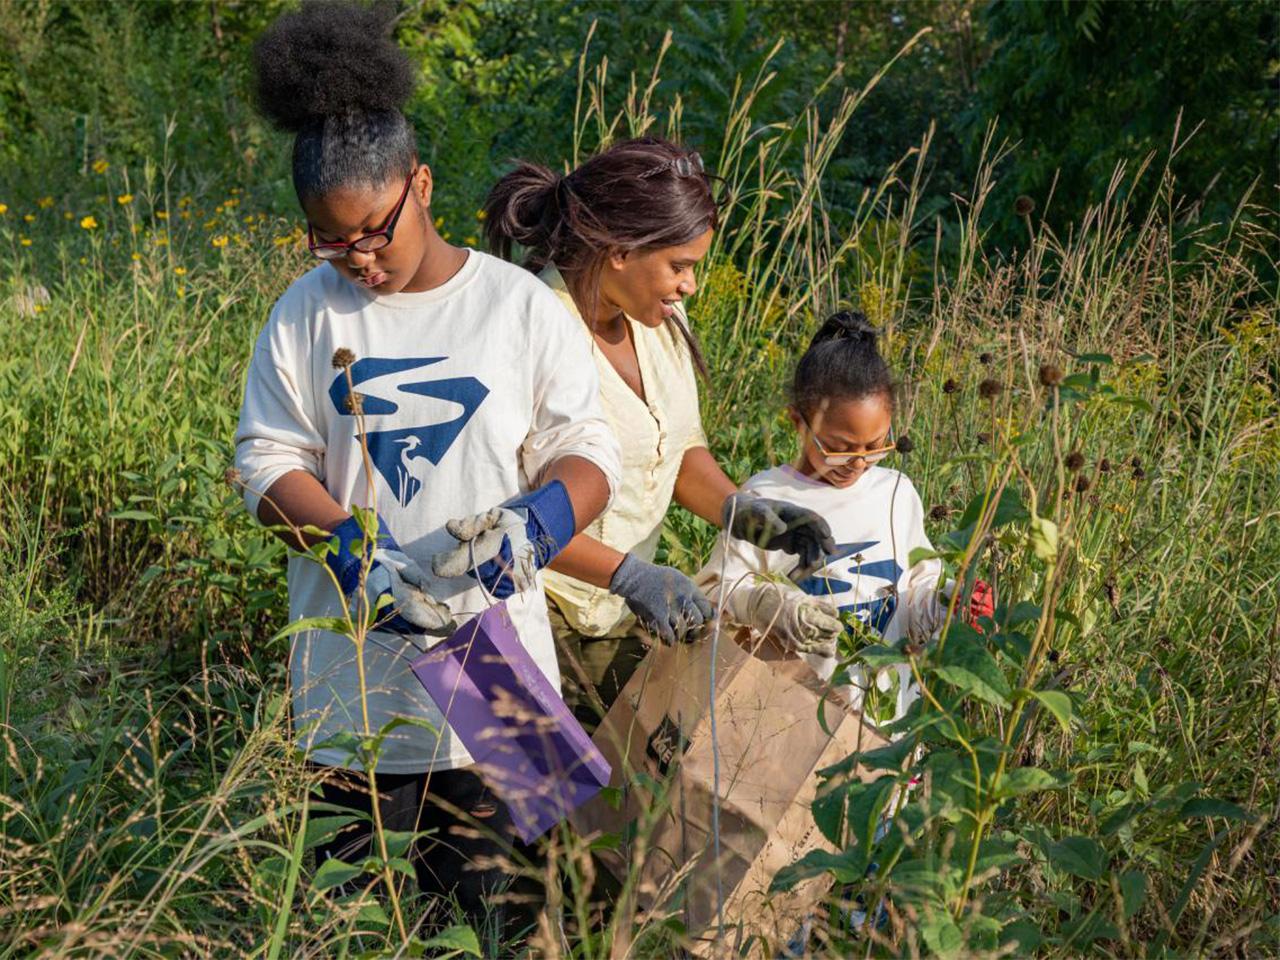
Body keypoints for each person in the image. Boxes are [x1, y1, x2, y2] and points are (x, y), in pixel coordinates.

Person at [233, 3, 620, 930]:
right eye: (329, 239)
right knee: (356, 926)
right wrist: (345, 549)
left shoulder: (518, 306)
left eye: (374, 229)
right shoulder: (305, 313)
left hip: (502, 670)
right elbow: (266, 459)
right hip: (351, 677)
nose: (356, 259)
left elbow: (587, 454)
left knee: (513, 924)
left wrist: (539, 526)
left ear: (423, 185)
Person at [484, 138, 836, 726]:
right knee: (529, 806)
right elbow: (500, 512)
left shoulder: (660, 322)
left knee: (629, 804)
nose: (689, 285)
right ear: (620, 249)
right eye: (680, 266)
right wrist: (629, 573)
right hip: (527, 620)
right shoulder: (529, 328)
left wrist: (748, 515)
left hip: (620, 617)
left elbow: (676, 451)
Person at [697, 311, 993, 728]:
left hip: (886, 714)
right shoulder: (766, 498)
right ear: (797, 423)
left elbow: (914, 586)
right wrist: (774, 605)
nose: (858, 462)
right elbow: (716, 591)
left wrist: (949, 600)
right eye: (838, 448)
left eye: (876, 446)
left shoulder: (895, 493)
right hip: (790, 717)